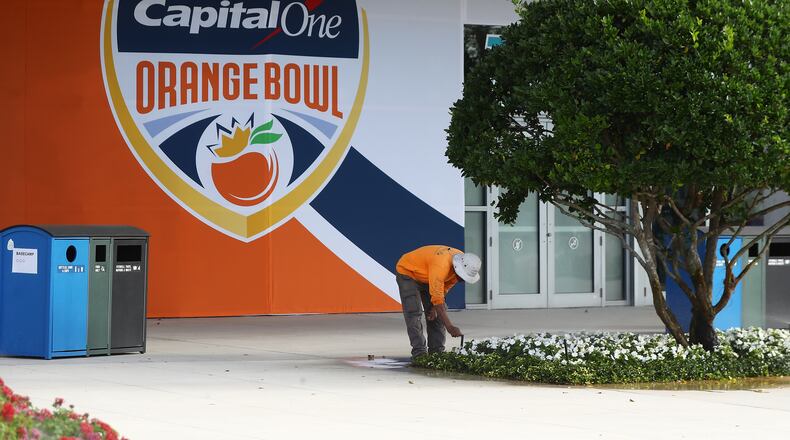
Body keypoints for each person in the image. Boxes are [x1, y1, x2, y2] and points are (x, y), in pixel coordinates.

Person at [395, 245, 481, 358]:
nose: (462, 280)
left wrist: (435, 309)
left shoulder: (461, 261)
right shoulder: (441, 265)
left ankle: (437, 352)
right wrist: (450, 326)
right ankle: (419, 353)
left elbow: (443, 290)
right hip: (408, 272)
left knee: (437, 315)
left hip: (429, 275)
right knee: (414, 313)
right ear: (457, 268)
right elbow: (438, 298)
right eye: (462, 277)